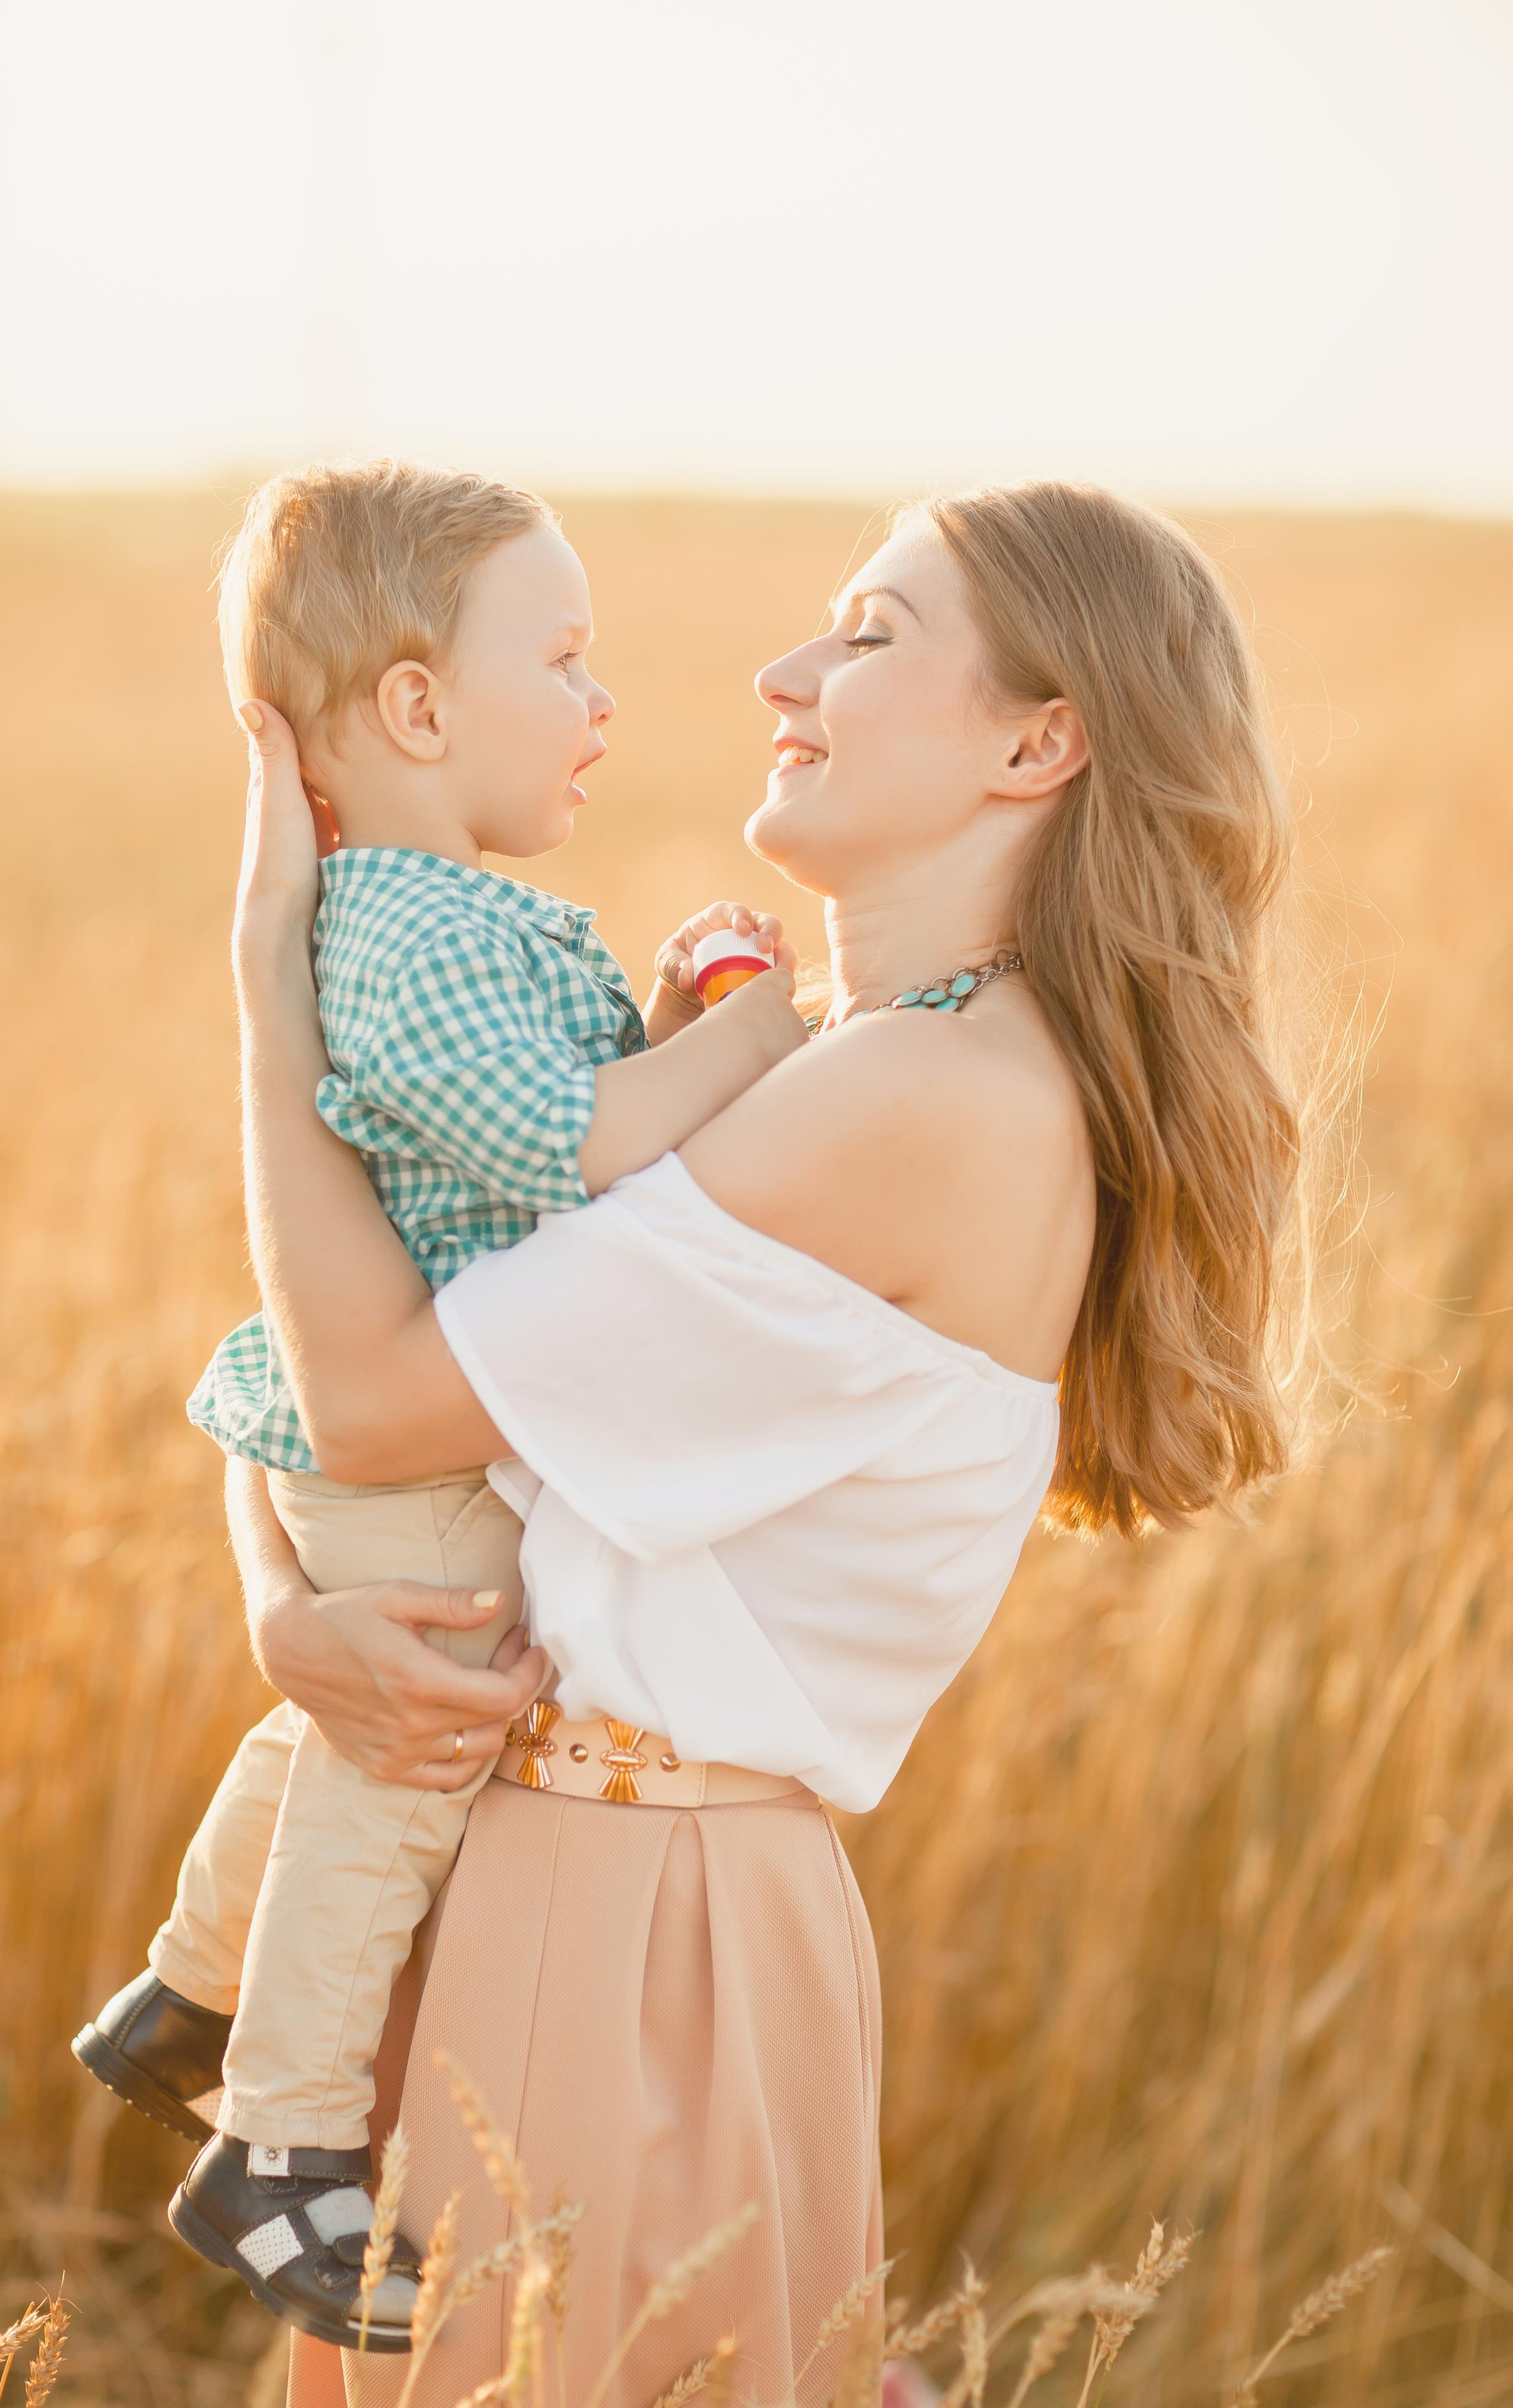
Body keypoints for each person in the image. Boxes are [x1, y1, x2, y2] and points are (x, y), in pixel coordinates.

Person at [223, 481, 1312, 2407]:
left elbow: (372, 1399)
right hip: (602, 1880)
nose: (781, 671)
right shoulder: (901, 1063)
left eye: (872, 634)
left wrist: (268, 986)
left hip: (609, 1911)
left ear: (1039, 741)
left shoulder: (910, 1097)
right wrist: (281, 1619)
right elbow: (423, 1386)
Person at [70, 460, 804, 2352]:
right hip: (414, 1445)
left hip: (376, 1431)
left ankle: (187, 1992)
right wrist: (738, 1043)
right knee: (410, 1760)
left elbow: (544, 1135)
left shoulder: (436, 925)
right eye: (563, 659)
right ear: (413, 709)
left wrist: (652, 1030)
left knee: (338, 1726)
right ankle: (282, 2150)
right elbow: (560, 1146)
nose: (603, 702)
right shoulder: (419, 930)